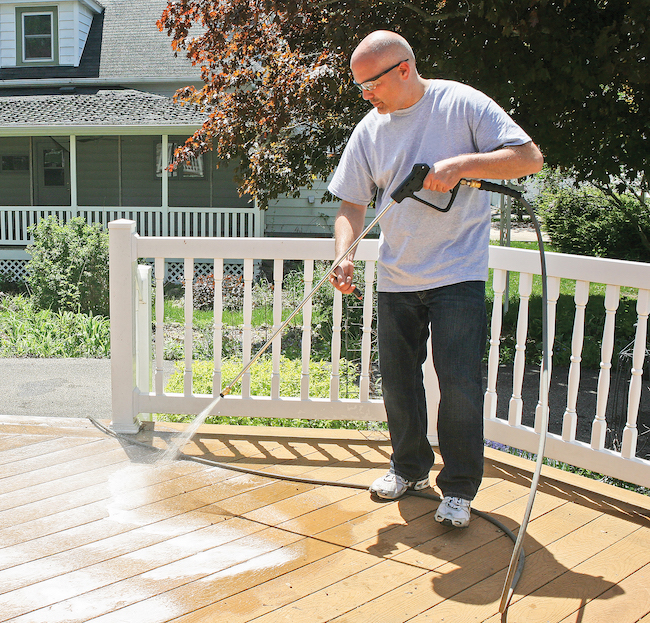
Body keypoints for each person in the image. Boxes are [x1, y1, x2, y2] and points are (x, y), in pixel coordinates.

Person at [328, 30, 543, 528]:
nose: (366, 94)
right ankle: (409, 470)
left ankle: (460, 489)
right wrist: (346, 253)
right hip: (397, 275)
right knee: (400, 385)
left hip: (457, 273)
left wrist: (464, 163)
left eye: (371, 83)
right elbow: (352, 203)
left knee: (460, 385)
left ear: (403, 68)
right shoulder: (370, 130)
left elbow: (529, 157)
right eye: (359, 86)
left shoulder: (460, 103)